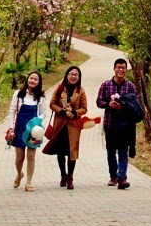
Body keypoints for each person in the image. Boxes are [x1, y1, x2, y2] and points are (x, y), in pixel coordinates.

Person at [96, 57, 141, 189]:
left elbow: (135, 104)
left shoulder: (130, 86)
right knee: (111, 151)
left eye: (123, 68)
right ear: (114, 69)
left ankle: (122, 178)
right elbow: (99, 102)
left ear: (126, 70)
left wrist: (123, 106)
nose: (121, 70)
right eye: (118, 67)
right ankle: (113, 176)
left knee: (123, 151)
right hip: (110, 123)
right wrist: (109, 104)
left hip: (125, 125)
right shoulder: (105, 85)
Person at [41, 65, 87, 190]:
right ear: (67, 75)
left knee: (72, 151)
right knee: (60, 151)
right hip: (60, 124)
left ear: (79, 77)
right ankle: (63, 175)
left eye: (76, 74)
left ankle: (70, 178)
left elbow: (84, 108)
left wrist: (75, 112)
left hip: (73, 125)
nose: (73, 76)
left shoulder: (81, 91)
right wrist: (62, 111)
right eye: (71, 74)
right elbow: (52, 104)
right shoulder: (60, 88)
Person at [5, 70, 48, 192]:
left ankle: (29, 181)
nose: (32, 81)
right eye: (31, 78)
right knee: (19, 157)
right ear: (27, 79)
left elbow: (43, 113)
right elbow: (12, 112)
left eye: (35, 79)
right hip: (19, 129)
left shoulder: (41, 97)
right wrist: (11, 128)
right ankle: (19, 174)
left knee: (31, 156)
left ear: (39, 82)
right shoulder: (18, 94)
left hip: (34, 130)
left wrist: (36, 122)